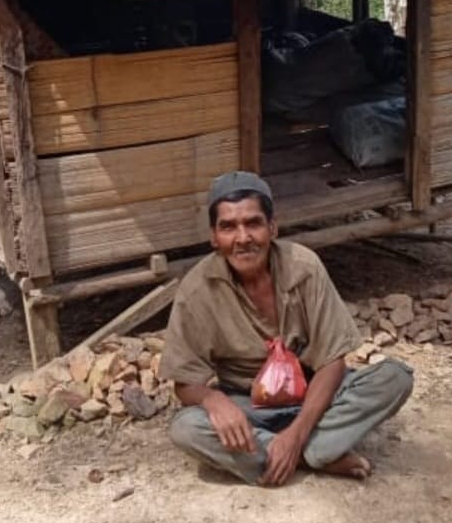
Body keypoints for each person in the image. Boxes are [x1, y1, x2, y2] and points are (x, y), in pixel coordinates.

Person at [159, 170, 413, 487]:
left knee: (395, 377)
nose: (242, 238)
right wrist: (214, 400)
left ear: (272, 227)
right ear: (214, 237)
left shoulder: (304, 267)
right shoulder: (197, 290)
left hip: (313, 396)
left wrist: (296, 434)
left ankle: (293, 450)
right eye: (228, 227)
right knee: (186, 428)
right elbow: (185, 384)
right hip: (249, 405)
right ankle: (315, 453)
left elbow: (332, 361)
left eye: (253, 223)